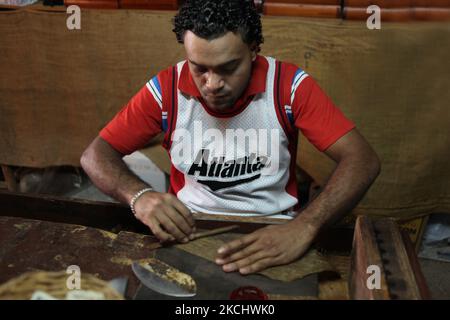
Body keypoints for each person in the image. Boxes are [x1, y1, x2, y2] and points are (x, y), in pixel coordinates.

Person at [80, 0, 380, 275]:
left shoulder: (288, 86)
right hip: (189, 228)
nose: (212, 84)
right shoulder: (166, 89)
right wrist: (139, 196)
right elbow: (95, 155)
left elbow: (362, 160)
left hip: (274, 227)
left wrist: (306, 226)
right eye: (199, 68)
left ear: (253, 49)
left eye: (228, 68)